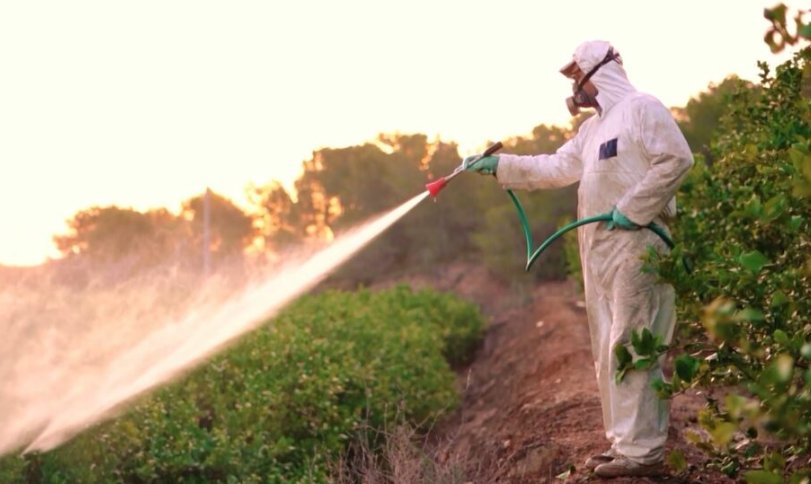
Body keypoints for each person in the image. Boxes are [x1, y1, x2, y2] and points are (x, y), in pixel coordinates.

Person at [464, 40, 693, 478]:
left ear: (599, 74)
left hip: (639, 245)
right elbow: (555, 167)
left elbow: (677, 159)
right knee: (608, 346)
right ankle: (624, 444)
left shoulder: (642, 109)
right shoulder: (591, 132)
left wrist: (634, 207)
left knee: (633, 342)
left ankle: (643, 452)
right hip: (600, 251)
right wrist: (501, 166)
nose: (575, 88)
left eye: (577, 78)